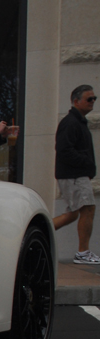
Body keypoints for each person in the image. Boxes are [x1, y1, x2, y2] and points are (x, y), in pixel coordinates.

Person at [52, 85, 98, 265]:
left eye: (95, 99)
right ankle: (83, 252)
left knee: (72, 213)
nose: (93, 102)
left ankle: (37, 230)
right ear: (76, 101)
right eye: (89, 99)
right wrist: (86, 163)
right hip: (74, 175)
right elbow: (63, 150)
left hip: (75, 174)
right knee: (87, 208)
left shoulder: (77, 122)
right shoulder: (70, 122)